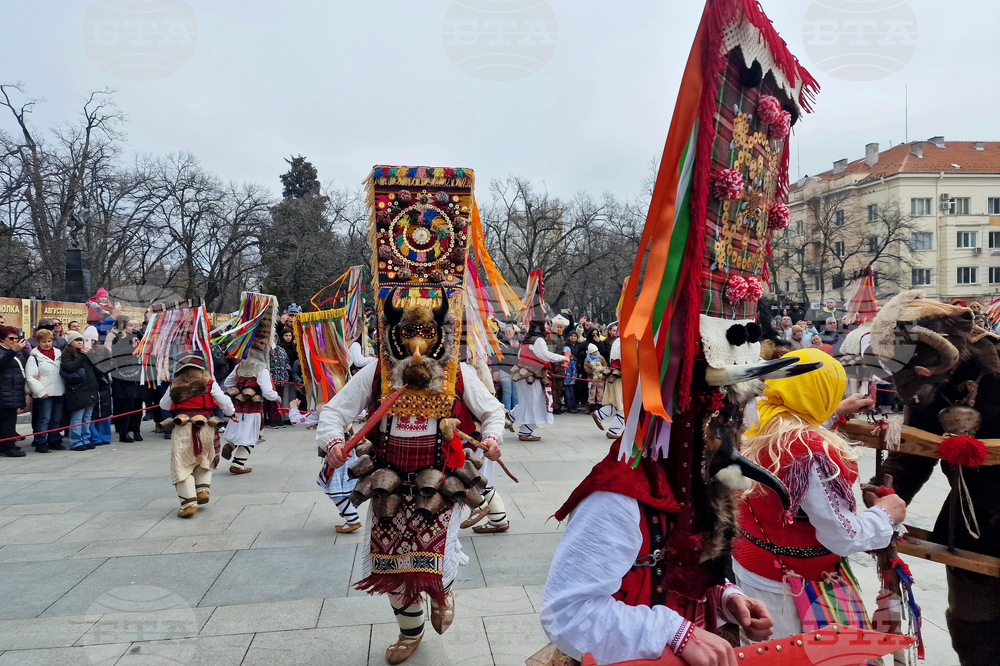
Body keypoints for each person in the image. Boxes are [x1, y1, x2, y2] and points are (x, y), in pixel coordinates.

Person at [733, 349, 905, 639]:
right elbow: (842, 535)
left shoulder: (755, 417)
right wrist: (886, 514)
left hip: (751, 565)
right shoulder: (812, 451)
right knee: (793, 655)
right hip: (791, 588)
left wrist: (835, 412)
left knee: (758, 649)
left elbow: (792, 429)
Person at [160, 352, 234, 518]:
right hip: (206, 426)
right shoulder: (210, 384)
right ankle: (202, 489)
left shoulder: (175, 385)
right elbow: (225, 403)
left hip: (182, 427)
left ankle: (188, 504)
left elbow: (164, 405)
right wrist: (231, 412)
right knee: (204, 458)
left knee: (182, 464)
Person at [220, 292, 281, 474]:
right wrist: (276, 398)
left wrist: (237, 388)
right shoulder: (262, 369)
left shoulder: (241, 366)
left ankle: (230, 445)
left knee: (238, 431)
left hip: (238, 407)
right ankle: (238, 465)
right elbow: (267, 392)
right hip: (253, 409)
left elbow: (229, 382)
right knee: (250, 436)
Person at [290, 399, 362, 533]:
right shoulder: (346, 405)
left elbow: (297, 421)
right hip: (351, 450)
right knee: (343, 486)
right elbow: (362, 413)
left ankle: (352, 519)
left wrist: (293, 407)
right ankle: (350, 514)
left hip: (337, 453)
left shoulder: (324, 410)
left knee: (333, 488)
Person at [510, 316, 567, 441]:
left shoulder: (526, 340)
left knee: (527, 402)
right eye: (545, 324)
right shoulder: (539, 340)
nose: (547, 327)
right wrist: (562, 358)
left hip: (523, 375)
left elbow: (520, 356)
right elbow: (545, 355)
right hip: (533, 377)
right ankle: (524, 431)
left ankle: (511, 419)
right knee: (538, 403)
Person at [26, 329, 65, 453]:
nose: (47, 344)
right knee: (44, 418)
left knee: (56, 418)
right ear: (38, 342)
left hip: (59, 391)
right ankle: (40, 442)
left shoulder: (58, 353)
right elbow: (31, 377)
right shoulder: (34, 357)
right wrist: (41, 392)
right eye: (44, 342)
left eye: (49, 341)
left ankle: (54, 439)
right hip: (44, 393)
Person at [107, 317, 144, 442]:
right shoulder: (119, 339)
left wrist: (140, 337)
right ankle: (124, 432)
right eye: (131, 325)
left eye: (136, 325)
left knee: (138, 404)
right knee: (127, 405)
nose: (134, 328)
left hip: (139, 375)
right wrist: (132, 347)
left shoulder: (141, 338)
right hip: (124, 375)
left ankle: (137, 431)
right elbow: (117, 355)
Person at [60, 331, 99, 451]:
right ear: (70, 342)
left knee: (87, 417)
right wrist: (82, 356)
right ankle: (76, 441)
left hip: (90, 389)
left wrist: (92, 356)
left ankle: (85, 439)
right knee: (77, 417)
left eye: (81, 340)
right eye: (77, 340)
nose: (80, 342)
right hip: (77, 391)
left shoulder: (87, 354)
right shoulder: (67, 354)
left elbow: (98, 370)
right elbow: (70, 367)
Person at [0, 326, 28, 457]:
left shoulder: (15, 351)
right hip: (4, 392)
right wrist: (13, 351)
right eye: (11, 339)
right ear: (2, 339)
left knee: (9, 420)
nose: (15, 341)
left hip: (13, 391)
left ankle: (7, 444)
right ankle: (9, 447)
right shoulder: (6, 351)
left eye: (16, 338)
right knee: (7, 421)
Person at [592, 337, 624, 438]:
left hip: (614, 376)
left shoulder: (618, 340)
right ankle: (613, 431)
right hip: (621, 378)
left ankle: (599, 414)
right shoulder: (626, 341)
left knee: (617, 403)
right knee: (624, 406)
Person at [87, 328, 114, 447]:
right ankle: (95, 437)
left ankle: (105, 436)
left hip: (104, 386)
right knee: (93, 414)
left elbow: (108, 367)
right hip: (92, 386)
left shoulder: (106, 356)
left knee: (105, 413)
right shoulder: (88, 355)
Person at [547, 315, 568, 414]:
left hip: (561, 365)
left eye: (561, 327)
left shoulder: (561, 337)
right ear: (554, 327)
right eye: (558, 327)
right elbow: (550, 353)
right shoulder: (550, 337)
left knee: (560, 387)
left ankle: (558, 405)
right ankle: (554, 406)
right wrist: (555, 364)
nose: (559, 329)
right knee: (554, 387)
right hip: (553, 365)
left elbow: (563, 351)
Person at [583, 343, 610, 420]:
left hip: (600, 378)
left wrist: (601, 369)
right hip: (591, 378)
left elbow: (605, 365)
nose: (595, 353)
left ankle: (600, 404)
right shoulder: (587, 359)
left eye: (596, 351)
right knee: (592, 392)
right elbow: (586, 368)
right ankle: (591, 406)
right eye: (593, 352)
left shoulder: (601, 357)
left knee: (600, 391)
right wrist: (593, 371)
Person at [561, 345, 578, 414]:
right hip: (565, 381)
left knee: (572, 394)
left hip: (570, 381)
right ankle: (569, 406)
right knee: (567, 394)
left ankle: (573, 406)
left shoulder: (572, 362)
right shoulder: (562, 361)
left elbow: (574, 371)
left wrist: (573, 380)